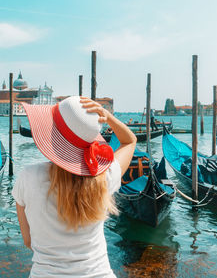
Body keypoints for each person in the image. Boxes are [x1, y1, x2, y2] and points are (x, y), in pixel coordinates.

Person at [12, 96, 136, 277]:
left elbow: (29, 241)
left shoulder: (28, 177)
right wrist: (107, 116)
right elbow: (129, 140)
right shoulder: (105, 178)